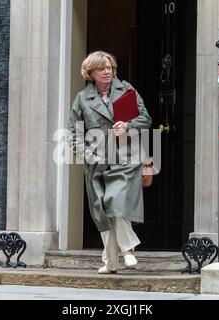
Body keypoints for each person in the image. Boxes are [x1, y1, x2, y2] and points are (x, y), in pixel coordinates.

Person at [68, 51, 152, 274]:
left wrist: (128, 126)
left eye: (110, 68)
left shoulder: (126, 90)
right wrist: (87, 154)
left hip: (124, 156)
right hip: (96, 160)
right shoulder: (82, 99)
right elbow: (73, 134)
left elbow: (145, 118)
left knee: (115, 201)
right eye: (101, 68)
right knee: (102, 210)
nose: (107, 72)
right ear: (91, 72)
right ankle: (110, 262)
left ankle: (127, 250)